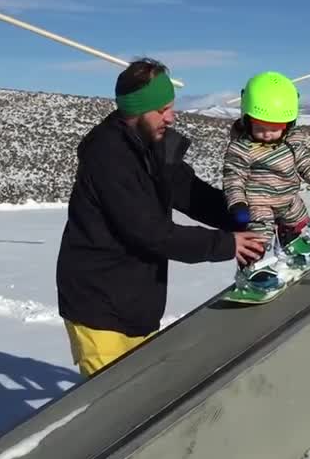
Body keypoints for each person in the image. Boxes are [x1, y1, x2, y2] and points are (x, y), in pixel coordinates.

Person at [55, 58, 269, 377]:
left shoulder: (152, 144)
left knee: (141, 392)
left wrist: (242, 215)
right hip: (96, 302)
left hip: (138, 299)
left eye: (171, 107)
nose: (171, 117)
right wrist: (226, 244)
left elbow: (190, 192)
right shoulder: (108, 158)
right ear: (135, 111)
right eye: (162, 110)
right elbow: (151, 232)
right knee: (112, 405)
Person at [221, 70, 310, 282]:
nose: (267, 134)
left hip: (288, 198)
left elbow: (303, 162)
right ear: (247, 121)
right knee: (258, 234)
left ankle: (295, 248)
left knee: (298, 219)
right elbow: (233, 177)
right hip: (259, 202)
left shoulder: (291, 141)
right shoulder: (241, 148)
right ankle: (252, 268)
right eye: (260, 128)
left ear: (288, 125)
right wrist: (237, 204)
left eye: (275, 129)